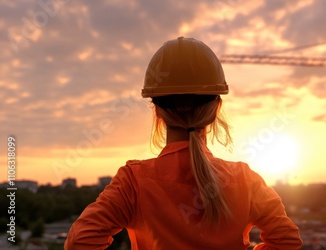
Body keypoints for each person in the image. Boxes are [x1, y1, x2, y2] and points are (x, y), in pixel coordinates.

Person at [65, 37, 302, 250]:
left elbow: (80, 241)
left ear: (157, 111)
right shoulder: (245, 180)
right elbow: (287, 242)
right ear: (215, 109)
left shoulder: (134, 181)